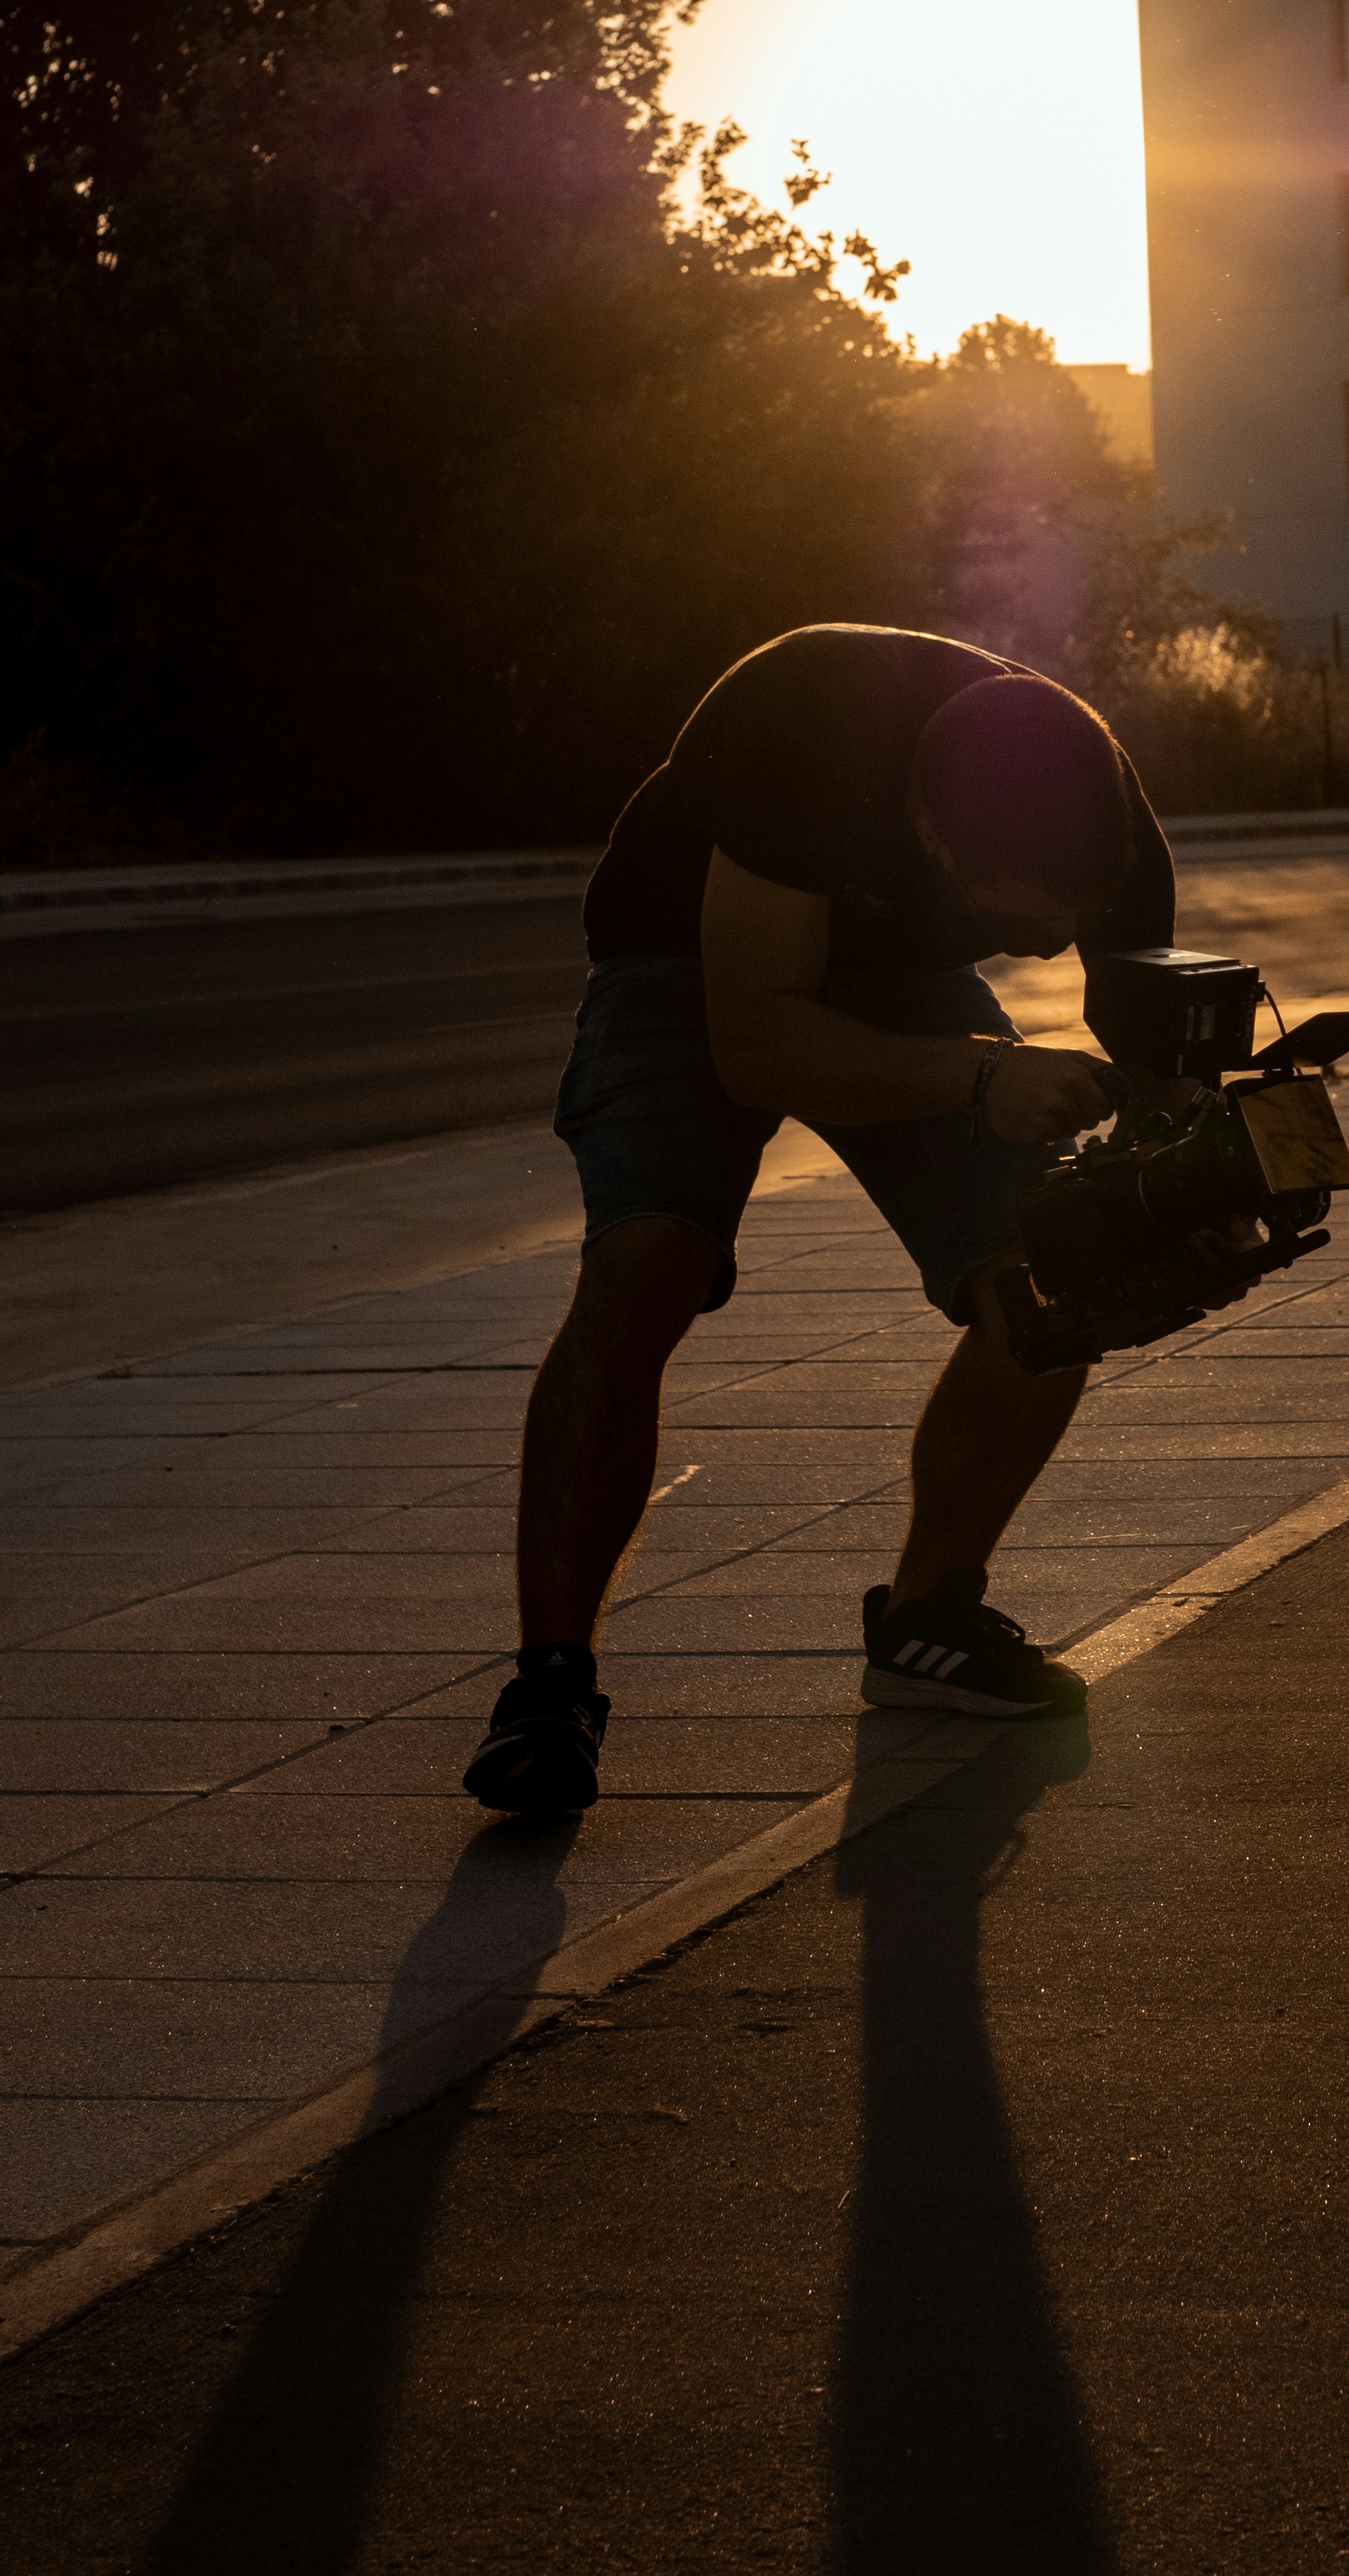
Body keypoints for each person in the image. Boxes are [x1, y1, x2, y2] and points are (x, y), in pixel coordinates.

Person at [465, 623, 1180, 1820]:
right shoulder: (799, 732)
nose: (1052, 946)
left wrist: (1194, 1162)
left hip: (903, 976)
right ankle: (548, 1687)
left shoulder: (1096, 810)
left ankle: (928, 1625)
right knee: (649, 1258)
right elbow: (756, 1046)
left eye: (1074, 918)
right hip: (689, 963)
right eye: (1018, 925)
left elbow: (1160, 1048)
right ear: (930, 836)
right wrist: (980, 1077)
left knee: (1058, 1269)